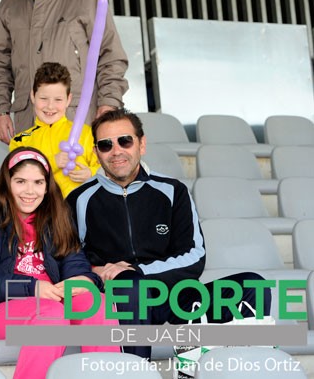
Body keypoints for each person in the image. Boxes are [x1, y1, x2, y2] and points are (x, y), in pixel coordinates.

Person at [66, 108, 271, 359]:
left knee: (253, 286)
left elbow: (195, 256)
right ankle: (136, 373)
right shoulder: (79, 199)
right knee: (131, 286)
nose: (116, 150)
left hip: (175, 296)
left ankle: (245, 369)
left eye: (125, 140)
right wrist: (97, 272)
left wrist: (138, 270)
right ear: (97, 153)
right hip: (121, 299)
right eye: (106, 145)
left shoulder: (173, 191)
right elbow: (68, 260)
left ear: (141, 144)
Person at [0, 146, 119, 379]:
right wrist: (32, 287)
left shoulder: (58, 218)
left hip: (53, 303)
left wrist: (83, 280)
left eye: (38, 182)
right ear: (7, 183)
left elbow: (76, 263)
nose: (30, 191)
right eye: (21, 182)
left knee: (96, 303)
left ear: (47, 187)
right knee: (50, 313)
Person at [0, 0, 129, 144]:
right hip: (28, 120)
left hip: (78, 117)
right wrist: (0, 111)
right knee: (32, 176)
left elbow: (111, 55)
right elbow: (0, 65)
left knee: (77, 176)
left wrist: (108, 103)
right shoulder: (9, 6)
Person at [9, 62, 99, 197]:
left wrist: (91, 174)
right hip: (40, 213)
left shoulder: (86, 133)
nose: (50, 106)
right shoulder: (20, 141)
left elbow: (104, 167)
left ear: (68, 100)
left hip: (77, 210)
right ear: (33, 96)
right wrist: (50, 162)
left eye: (58, 99)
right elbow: (17, 175)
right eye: (44, 98)